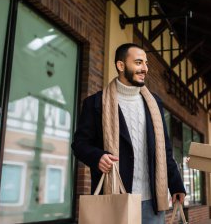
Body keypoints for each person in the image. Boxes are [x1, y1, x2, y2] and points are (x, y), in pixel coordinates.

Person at [72, 43, 186, 224]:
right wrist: (97, 157)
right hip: (115, 200)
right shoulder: (95, 103)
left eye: (146, 63)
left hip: (152, 201)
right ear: (121, 65)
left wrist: (176, 185)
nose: (145, 69)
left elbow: (165, 149)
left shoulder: (154, 103)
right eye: (139, 63)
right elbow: (79, 144)